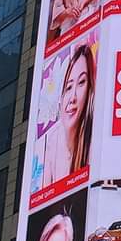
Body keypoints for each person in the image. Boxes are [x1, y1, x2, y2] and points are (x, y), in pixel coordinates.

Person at [41, 45, 94, 187]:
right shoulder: (53, 142)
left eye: (82, 82)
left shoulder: (94, 142)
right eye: (69, 87)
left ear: (90, 89)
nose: (73, 97)